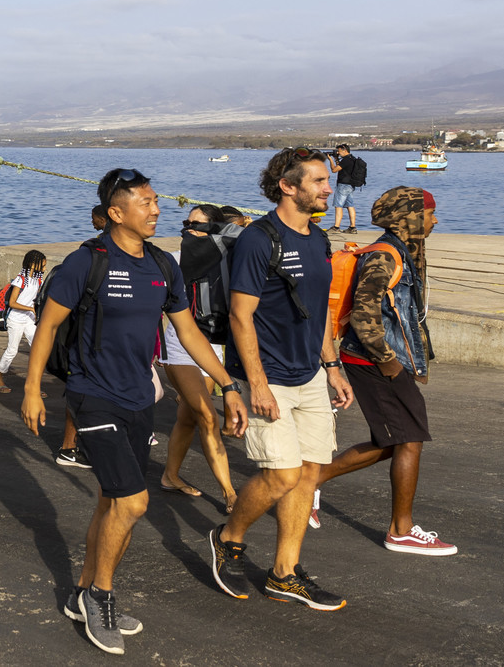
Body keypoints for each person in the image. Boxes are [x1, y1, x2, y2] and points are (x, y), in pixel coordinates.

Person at [21, 169, 247, 655]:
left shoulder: (164, 265)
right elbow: (47, 327)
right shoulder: (87, 262)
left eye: (155, 200)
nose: (156, 209)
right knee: (134, 502)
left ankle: (83, 591)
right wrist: (33, 390)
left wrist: (228, 385)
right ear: (116, 212)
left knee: (111, 500)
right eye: (145, 202)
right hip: (92, 395)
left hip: (139, 399)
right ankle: (101, 597)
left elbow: (188, 333)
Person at [209, 148, 353, 612]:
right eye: (317, 180)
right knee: (282, 475)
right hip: (268, 376)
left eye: (327, 180)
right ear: (288, 187)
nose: (327, 188)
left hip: (310, 373)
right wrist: (256, 383)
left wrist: (332, 367)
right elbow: (241, 314)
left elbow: (320, 312)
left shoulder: (318, 239)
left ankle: (284, 574)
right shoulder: (260, 239)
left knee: (309, 474)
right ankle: (229, 536)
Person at [313, 186, 455, 555]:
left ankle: (312, 478)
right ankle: (400, 530)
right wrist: (390, 363)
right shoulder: (384, 256)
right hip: (373, 361)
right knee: (408, 438)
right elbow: (364, 314)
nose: (435, 220)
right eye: (429, 213)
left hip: (383, 361)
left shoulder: (404, 250)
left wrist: (408, 363)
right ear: (409, 216)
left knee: (397, 438)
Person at [160, 205, 237, 511]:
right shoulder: (175, 262)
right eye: (187, 223)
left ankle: (170, 475)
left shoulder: (228, 262)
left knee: (188, 417)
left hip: (213, 351)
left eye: (197, 224)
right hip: (179, 350)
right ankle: (230, 492)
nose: (188, 228)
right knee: (208, 416)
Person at [55, 204, 110, 468]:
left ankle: (81, 444)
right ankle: (69, 446)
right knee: (80, 393)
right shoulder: (90, 253)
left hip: (99, 340)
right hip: (86, 340)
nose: (91, 222)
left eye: (93, 218)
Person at [0, 249, 47, 394]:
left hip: (29, 319)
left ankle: (33, 384)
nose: (45, 268)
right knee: (12, 350)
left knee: (37, 348)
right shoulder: (20, 280)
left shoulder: (38, 279)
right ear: (34, 265)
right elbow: (12, 302)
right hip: (15, 319)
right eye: (43, 265)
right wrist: (30, 308)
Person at [328, 144, 368, 233]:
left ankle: (336, 227)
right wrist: (336, 159)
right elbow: (342, 167)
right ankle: (352, 227)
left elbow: (334, 170)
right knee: (350, 205)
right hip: (350, 185)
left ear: (344, 150)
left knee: (338, 206)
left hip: (343, 185)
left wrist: (330, 160)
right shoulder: (352, 159)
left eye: (339, 151)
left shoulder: (345, 160)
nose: (338, 152)